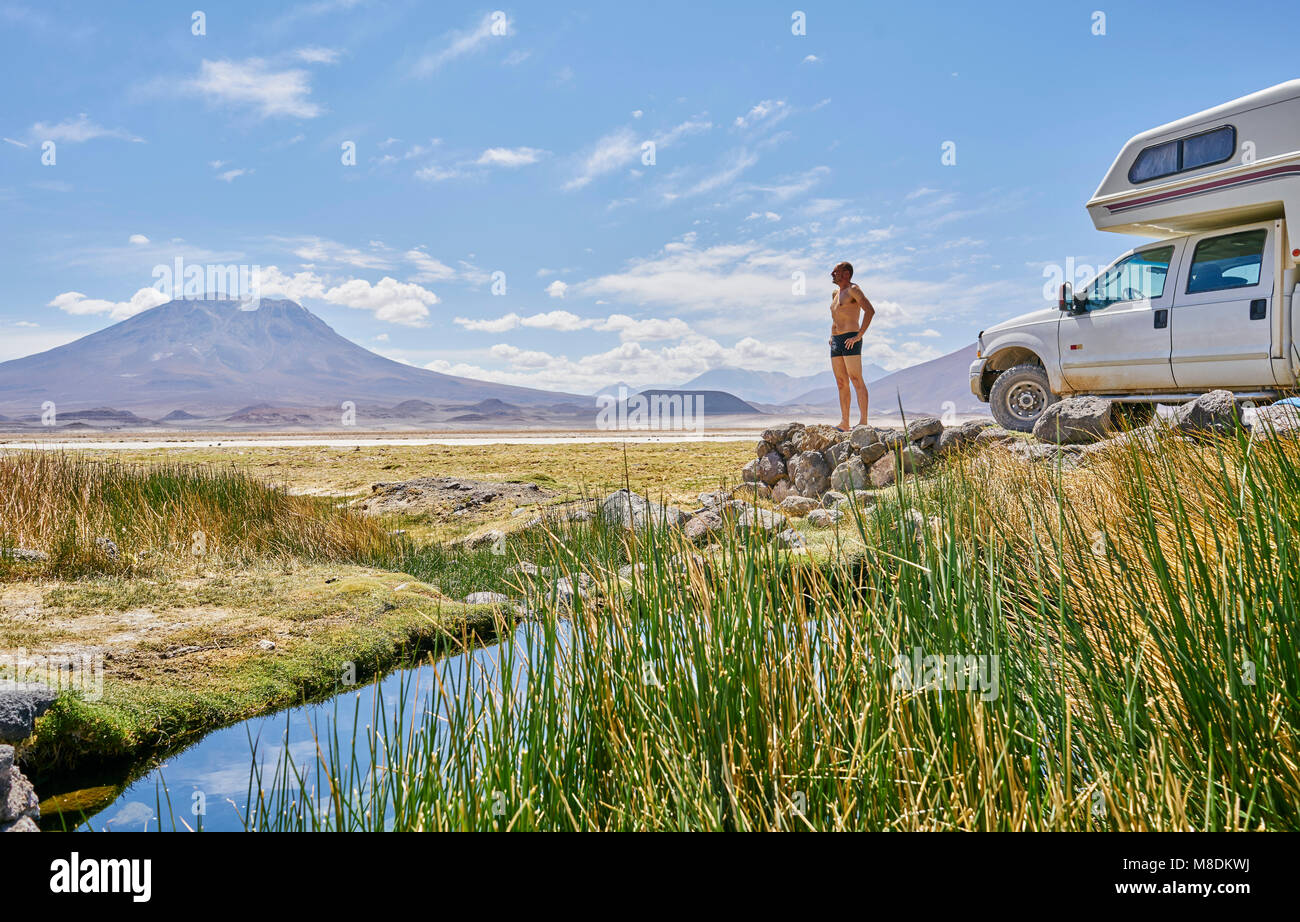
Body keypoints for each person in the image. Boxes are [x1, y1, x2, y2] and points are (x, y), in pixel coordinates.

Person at [828, 260, 875, 430]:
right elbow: (835, 318)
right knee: (841, 382)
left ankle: (863, 421)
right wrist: (831, 335)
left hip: (850, 338)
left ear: (846, 273)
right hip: (836, 341)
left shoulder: (853, 290)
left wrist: (860, 334)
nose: (832, 274)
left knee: (856, 379)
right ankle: (845, 422)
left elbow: (869, 310)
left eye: (836, 271)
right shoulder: (835, 293)